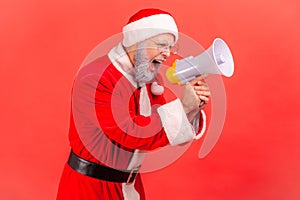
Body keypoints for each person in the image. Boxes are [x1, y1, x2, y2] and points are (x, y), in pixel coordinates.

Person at [57, 8, 211, 200]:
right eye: (162, 45)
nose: (167, 54)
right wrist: (183, 107)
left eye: (171, 47)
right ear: (137, 42)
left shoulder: (148, 79)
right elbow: (129, 132)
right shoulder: (95, 77)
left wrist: (192, 109)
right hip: (90, 190)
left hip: (130, 188)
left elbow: (156, 133)